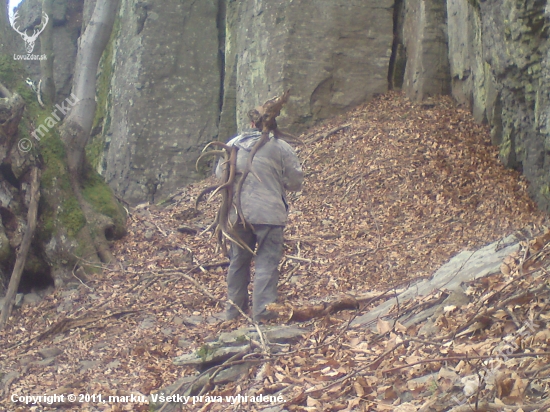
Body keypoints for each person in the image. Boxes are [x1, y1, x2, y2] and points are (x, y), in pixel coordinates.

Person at [215, 116, 303, 323]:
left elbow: (220, 174)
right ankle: (263, 313)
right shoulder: (280, 147)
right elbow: (295, 181)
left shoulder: (232, 145)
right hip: (269, 214)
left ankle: (234, 310)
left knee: (238, 260)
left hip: (237, 213)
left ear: (252, 124)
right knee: (267, 261)